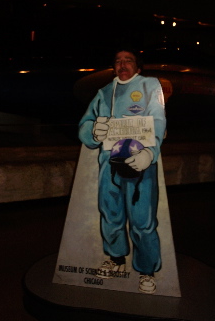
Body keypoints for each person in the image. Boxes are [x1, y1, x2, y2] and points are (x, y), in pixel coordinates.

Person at [78, 48, 166, 294]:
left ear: (138, 66)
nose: (122, 64)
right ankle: (116, 259)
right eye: (117, 61)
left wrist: (150, 152)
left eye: (128, 60)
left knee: (142, 220)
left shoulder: (150, 86)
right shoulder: (104, 93)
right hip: (110, 165)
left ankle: (147, 270)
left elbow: (158, 119)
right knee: (111, 213)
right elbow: (85, 123)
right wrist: (93, 132)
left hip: (141, 164)